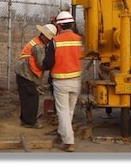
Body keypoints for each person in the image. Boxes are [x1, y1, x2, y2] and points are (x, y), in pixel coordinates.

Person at [43, 11, 82, 152]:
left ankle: (68, 142)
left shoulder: (55, 41)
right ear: (72, 24)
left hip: (61, 81)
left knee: (63, 111)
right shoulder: (79, 39)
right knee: (69, 110)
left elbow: (48, 63)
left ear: (59, 27)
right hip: (76, 80)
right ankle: (62, 133)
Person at [14, 24, 57, 129]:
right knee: (33, 98)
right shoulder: (39, 47)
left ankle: (25, 119)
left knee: (26, 98)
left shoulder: (36, 41)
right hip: (26, 74)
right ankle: (30, 122)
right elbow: (41, 64)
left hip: (22, 73)